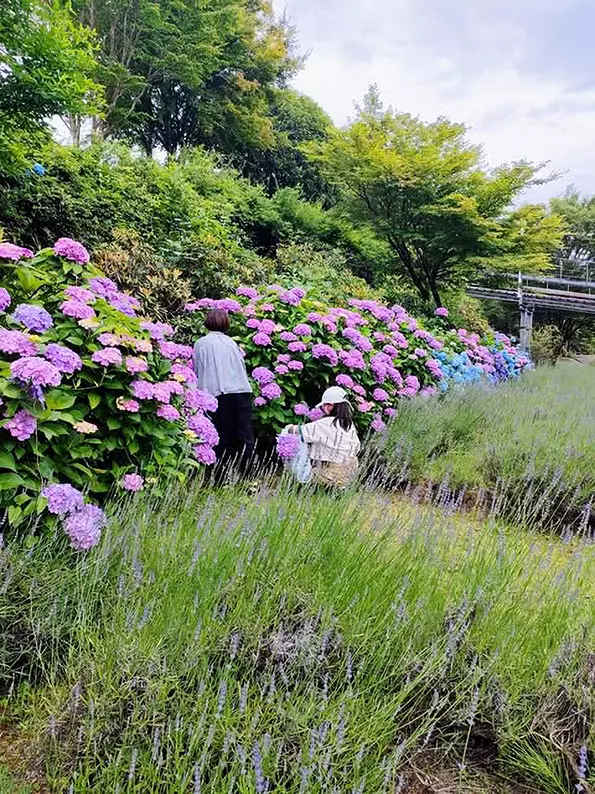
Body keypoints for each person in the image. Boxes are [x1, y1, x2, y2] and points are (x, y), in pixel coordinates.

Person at [193, 309, 254, 475]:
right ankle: (247, 474)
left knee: (220, 437)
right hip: (242, 390)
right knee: (243, 435)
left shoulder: (201, 343)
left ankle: (218, 476)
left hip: (216, 394)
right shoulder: (231, 342)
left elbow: (197, 370)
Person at [288, 386, 361, 487]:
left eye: (326, 405)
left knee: (300, 475)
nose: (324, 408)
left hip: (331, 475)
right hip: (349, 474)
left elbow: (301, 431)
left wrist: (289, 427)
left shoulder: (326, 423)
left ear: (334, 405)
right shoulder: (349, 424)